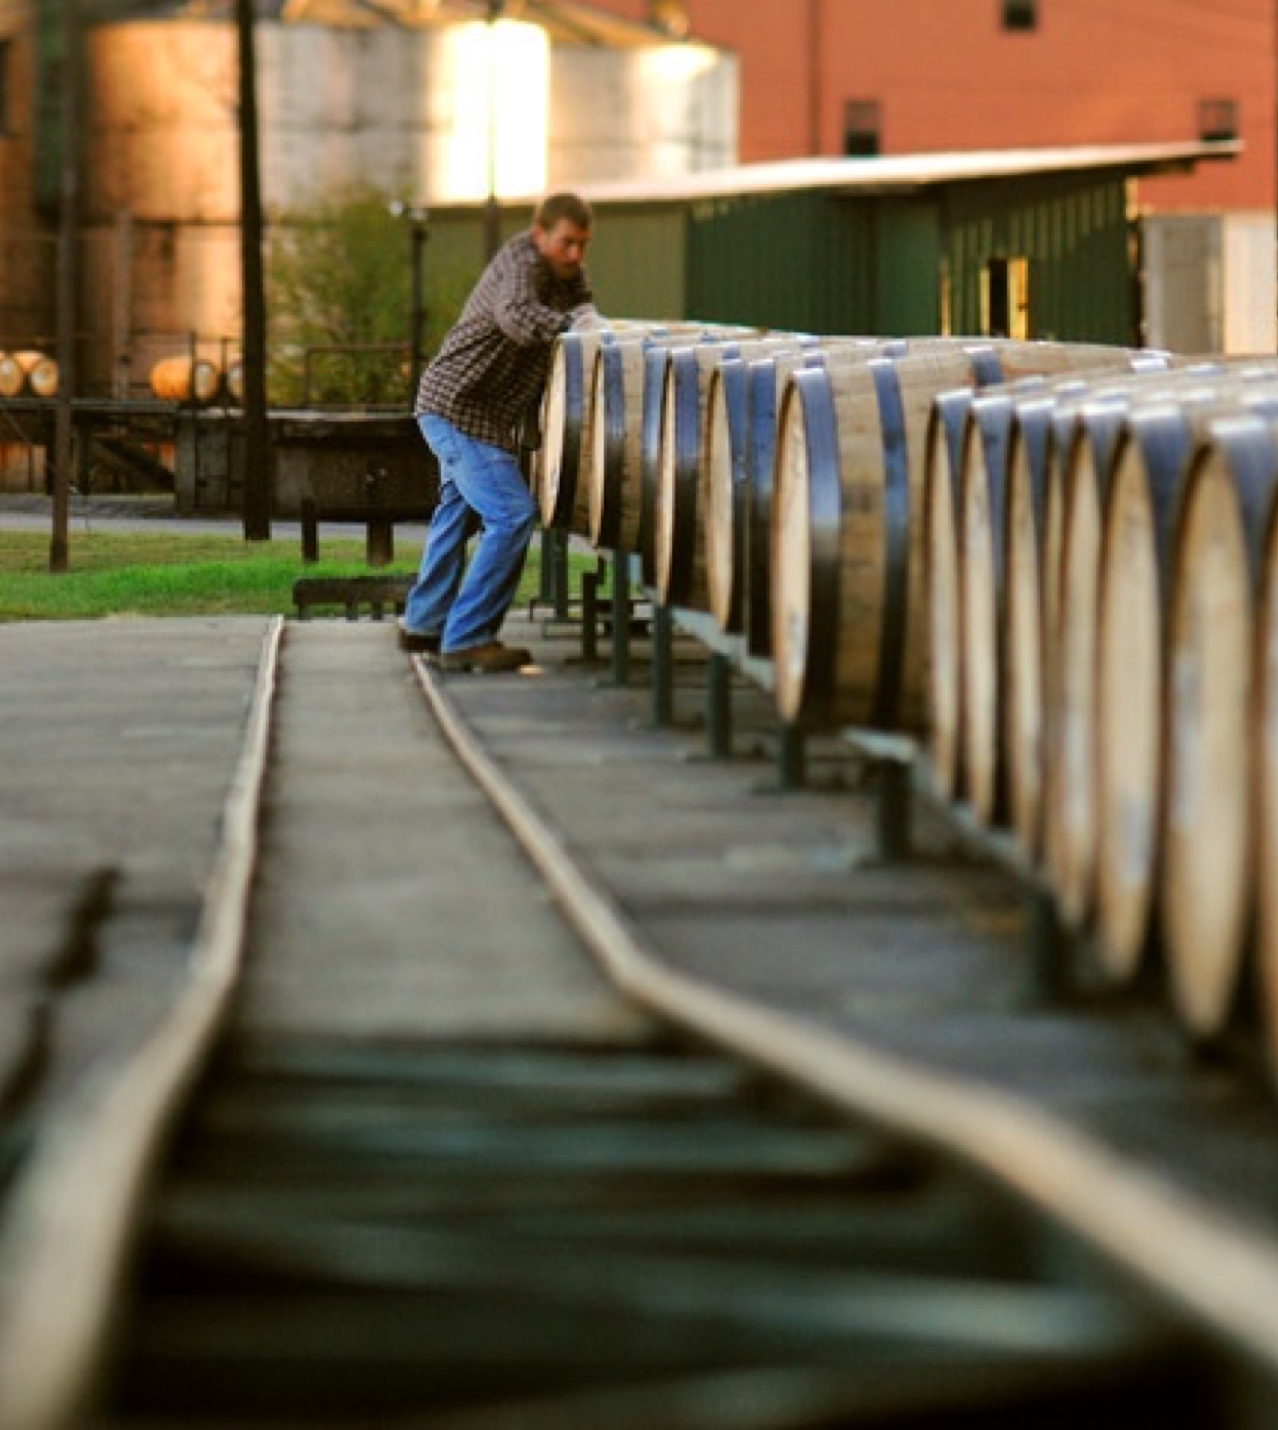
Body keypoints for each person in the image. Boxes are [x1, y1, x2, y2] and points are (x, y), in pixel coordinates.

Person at [398, 191, 598, 672]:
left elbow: (587, 320)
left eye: (583, 245)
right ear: (539, 236)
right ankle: (467, 637)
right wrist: (575, 324)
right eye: (567, 243)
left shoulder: (568, 278)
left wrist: (593, 325)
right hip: (456, 407)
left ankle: (423, 625)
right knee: (510, 515)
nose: (575, 254)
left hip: (481, 415)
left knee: (458, 515)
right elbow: (517, 319)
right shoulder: (520, 264)